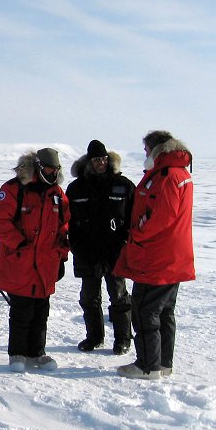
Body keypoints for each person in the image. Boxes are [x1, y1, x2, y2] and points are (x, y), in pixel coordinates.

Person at [113, 130, 194, 379]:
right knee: (164, 311)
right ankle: (162, 363)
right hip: (171, 257)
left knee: (145, 311)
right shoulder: (174, 174)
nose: (145, 154)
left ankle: (148, 366)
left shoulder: (167, 176)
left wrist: (136, 233)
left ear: (158, 149)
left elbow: (161, 217)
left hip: (157, 258)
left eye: (147, 149)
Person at [0, 148, 70, 373]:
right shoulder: (14, 189)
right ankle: (17, 353)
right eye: (48, 169)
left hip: (46, 263)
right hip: (20, 261)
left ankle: (37, 352)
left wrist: (62, 255)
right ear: (37, 166)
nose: (52, 173)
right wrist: (20, 244)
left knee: (41, 310)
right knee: (21, 309)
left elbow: (65, 225)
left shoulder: (56, 193)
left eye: (56, 170)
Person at [66, 140, 136, 355]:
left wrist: (125, 241)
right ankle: (94, 337)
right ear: (89, 161)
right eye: (97, 159)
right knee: (89, 297)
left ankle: (123, 339)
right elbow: (67, 220)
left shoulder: (123, 185)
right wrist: (75, 245)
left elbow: (134, 216)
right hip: (87, 251)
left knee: (119, 296)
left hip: (115, 251)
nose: (101, 163)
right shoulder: (76, 188)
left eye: (104, 159)